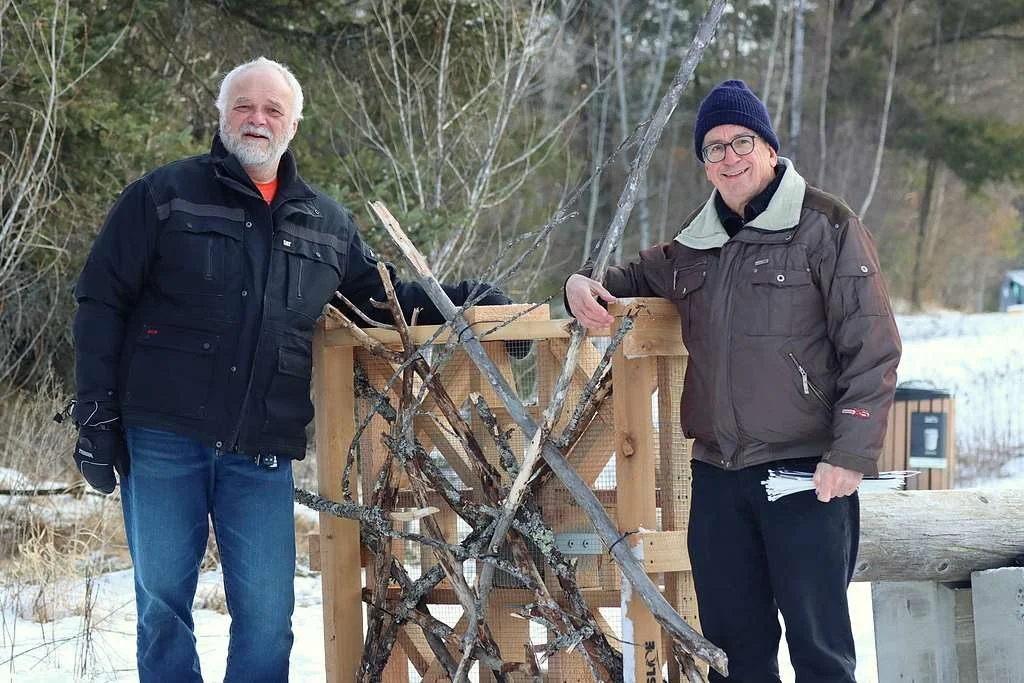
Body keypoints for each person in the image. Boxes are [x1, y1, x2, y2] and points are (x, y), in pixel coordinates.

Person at [70, 57, 509, 682]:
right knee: (163, 606)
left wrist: (465, 300)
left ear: (293, 126)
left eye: (272, 109)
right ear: (221, 116)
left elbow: (381, 300)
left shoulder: (326, 225)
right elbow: (100, 300)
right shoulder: (163, 196)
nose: (257, 118)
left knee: (270, 617)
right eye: (244, 106)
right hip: (164, 438)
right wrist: (96, 414)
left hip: (260, 452)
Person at [565, 79, 901, 681]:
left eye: (741, 141)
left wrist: (850, 453)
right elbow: (619, 277)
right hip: (718, 477)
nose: (729, 157)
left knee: (819, 650)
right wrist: (579, 282)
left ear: (769, 147)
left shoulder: (826, 225)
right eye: (713, 148)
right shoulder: (695, 246)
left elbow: (873, 346)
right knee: (731, 650)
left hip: (805, 472)